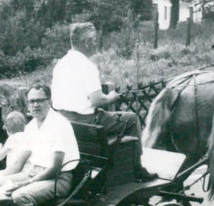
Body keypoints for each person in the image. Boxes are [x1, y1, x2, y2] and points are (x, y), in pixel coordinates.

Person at [51, 21, 156, 181]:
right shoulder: (86, 66)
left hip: (64, 121)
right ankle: (136, 168)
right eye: (93, 40)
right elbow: (97, 99)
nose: (95, 44)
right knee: (131, 119)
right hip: (87, 123)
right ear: (86, 42)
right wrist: (112, 96)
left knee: (109, 116)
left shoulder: (61, 63)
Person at [0, 84, 79, 206]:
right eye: (31, 101)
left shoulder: (59, 125)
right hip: (34, 172)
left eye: (40, 100)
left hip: (58, 179)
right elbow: (20, 161)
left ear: (49, 101)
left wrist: (26, 183)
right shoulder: (31, 126)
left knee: (20, 196)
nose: (35, 105)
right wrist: (2, 176)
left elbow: (55, 168)